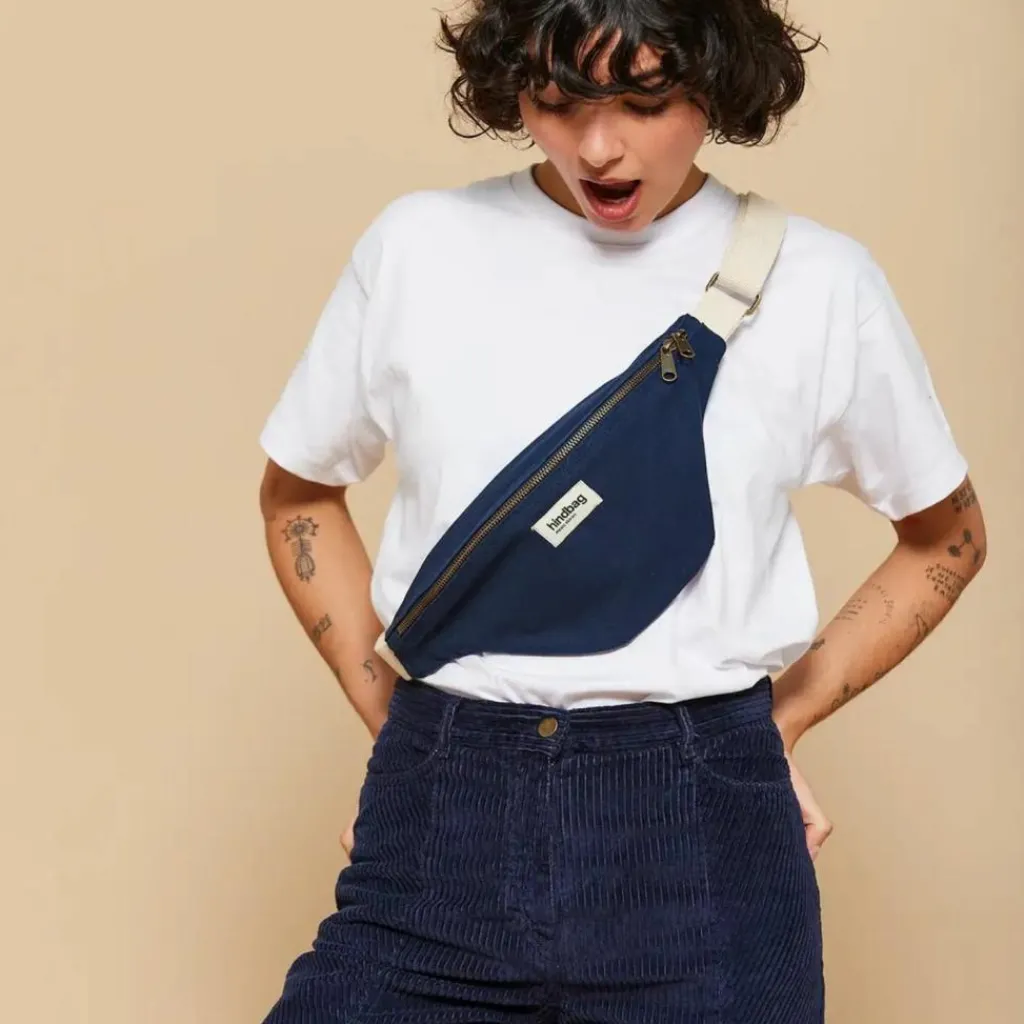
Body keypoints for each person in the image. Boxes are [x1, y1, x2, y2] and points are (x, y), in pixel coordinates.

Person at [256, 2, 987, 1021]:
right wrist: (398, 729)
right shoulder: (418, 247)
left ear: (717, 80)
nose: (598, 147)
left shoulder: (820, 282)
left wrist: (774, 728)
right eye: (558, 101)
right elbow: (297, 492)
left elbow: (948, 537)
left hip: (703, 828)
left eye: (645, 102)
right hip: (442, 804)